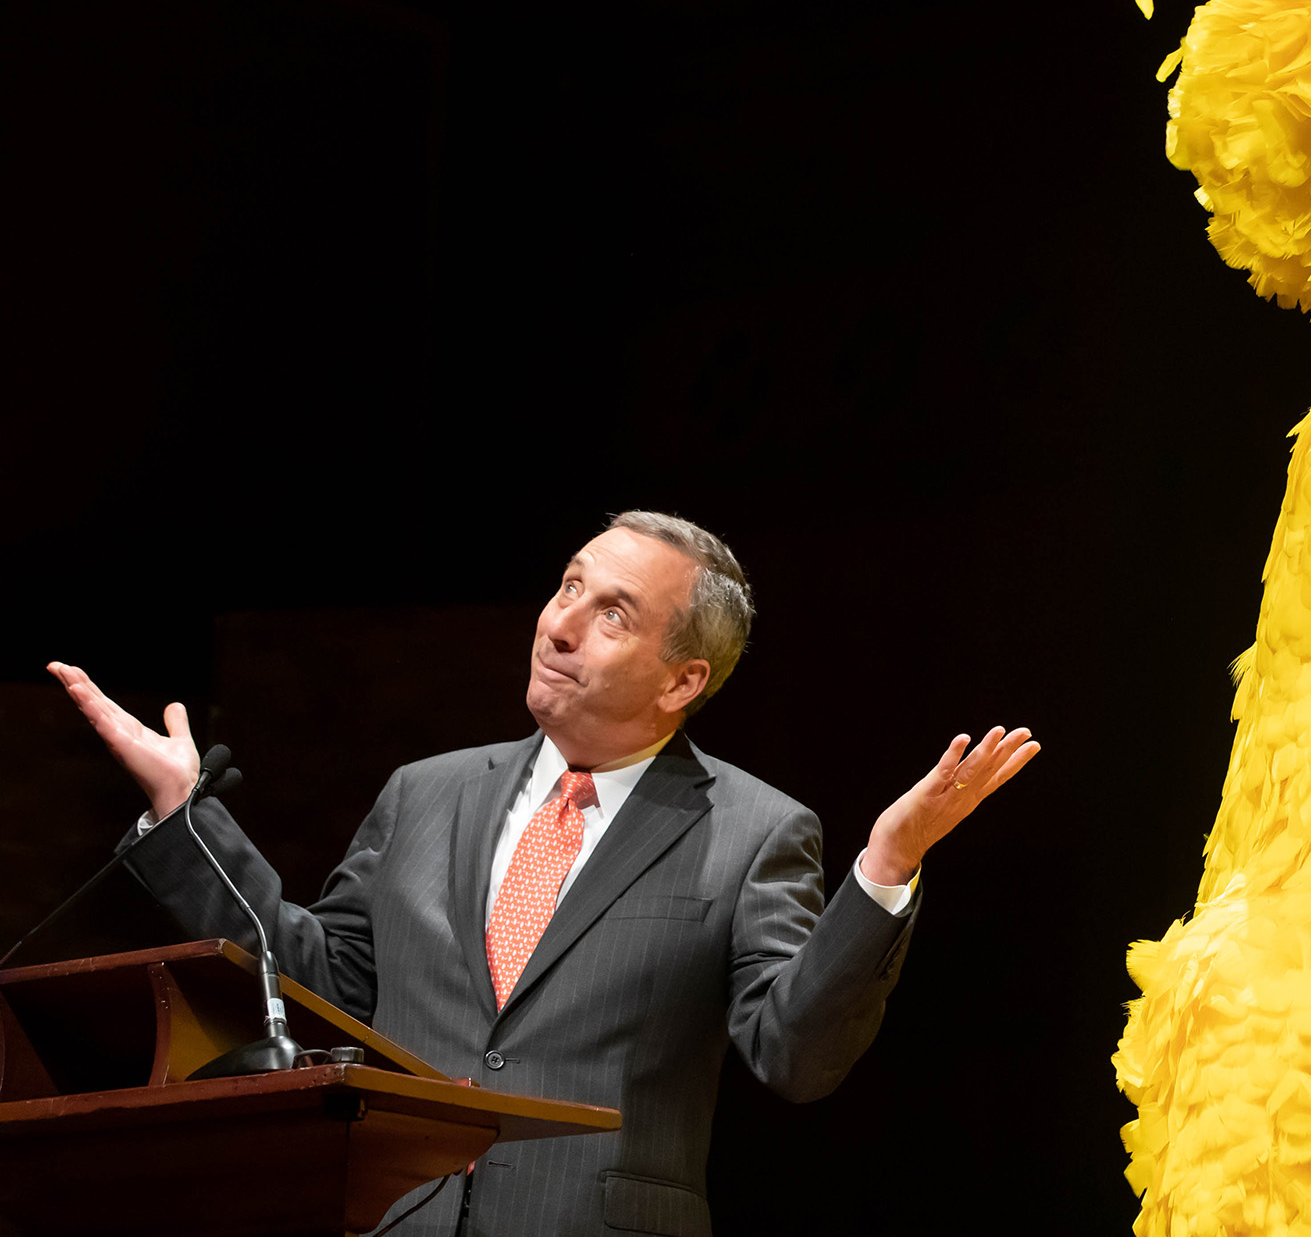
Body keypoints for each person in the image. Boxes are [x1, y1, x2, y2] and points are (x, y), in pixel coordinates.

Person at [48, 510, 1037, 1236]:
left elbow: (795, 1053)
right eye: (567, 585)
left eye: (611, 613)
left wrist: (886, 864)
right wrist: (187, 817)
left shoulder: (753, 828)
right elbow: (326, 982)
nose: (560, 624)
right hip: (393, 1221)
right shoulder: (424, 792)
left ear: (681, 679)